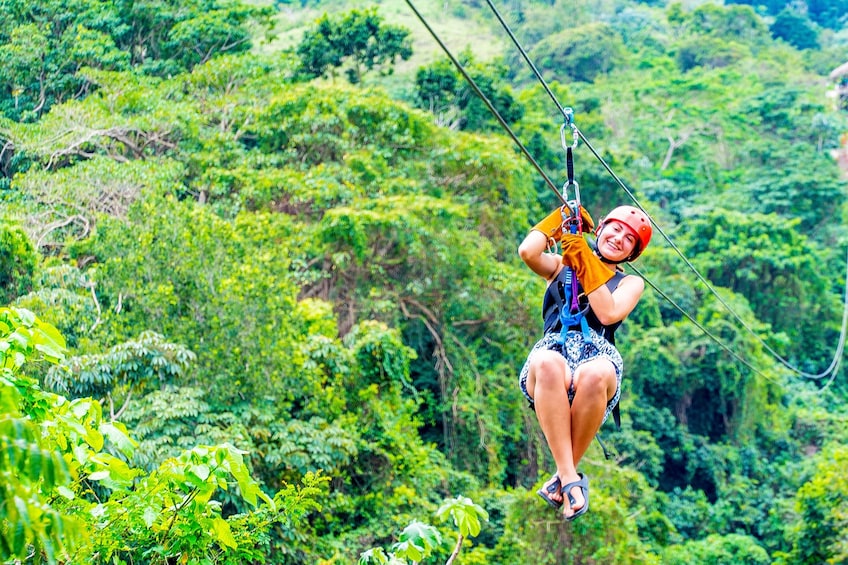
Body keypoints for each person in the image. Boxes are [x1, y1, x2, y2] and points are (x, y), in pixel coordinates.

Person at [517, 204, 652, 521]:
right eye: (615, 229)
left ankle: (564, 478)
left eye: (629, 239)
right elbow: (528, 251)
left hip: (597, 355)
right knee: (548, 363)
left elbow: (606, 313)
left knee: (595, 373)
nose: (619, 239)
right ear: (601, 228)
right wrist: (560, 220)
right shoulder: (563, 264)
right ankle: (569, 479)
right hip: (556, 350)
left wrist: (584, 258)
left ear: (632, 253)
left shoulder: (630, 283)